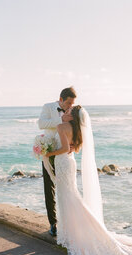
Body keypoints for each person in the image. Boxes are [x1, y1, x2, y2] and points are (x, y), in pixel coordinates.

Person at [45, 105, 132, 255]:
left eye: (68, 111)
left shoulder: (61, 126)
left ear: (71, 116)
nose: (64, 112)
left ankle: (78, 234)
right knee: (70, 195)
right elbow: (73, 148)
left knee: (68, 197)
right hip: (69, 163)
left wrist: (47, 153)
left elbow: (65, 149)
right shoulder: (76, 128)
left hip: (63, 162)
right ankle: (74, 234)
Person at [38, 86, 76, 236]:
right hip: (49, 152)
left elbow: (78, 131)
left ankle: (71, 223)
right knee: (49, 188)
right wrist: (61, 119)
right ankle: (53, 223)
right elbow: (41, 124)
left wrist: (75, 145)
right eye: (68, 103)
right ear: (61, 100)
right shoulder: (48, 107)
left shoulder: (73, 112)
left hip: (65, 154)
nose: (70, 107)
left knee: (68, 188)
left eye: (72, 104)